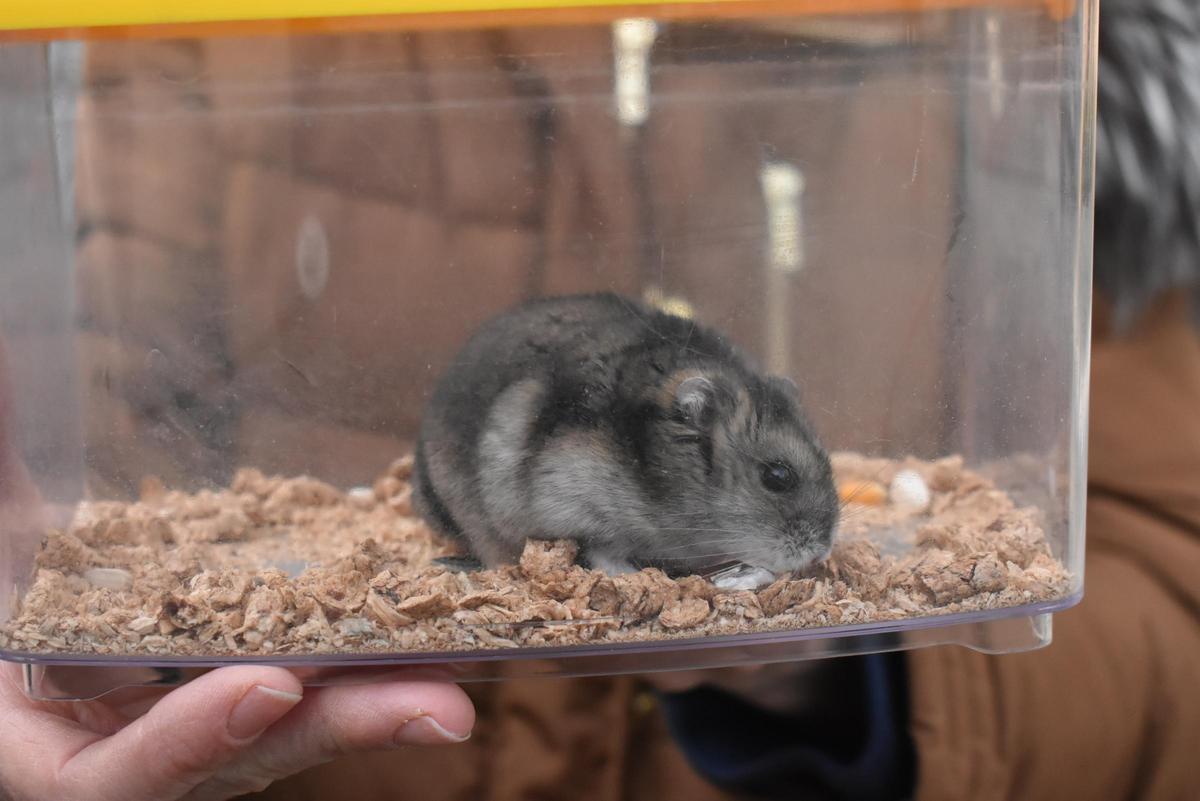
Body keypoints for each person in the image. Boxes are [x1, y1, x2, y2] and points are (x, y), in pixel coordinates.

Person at [2, 1, 1199, 800]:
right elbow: (95, 473)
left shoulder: (1086, 73)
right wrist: (63, 665)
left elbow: (1164, 580)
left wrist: (845, 685)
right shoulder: (187, 50)